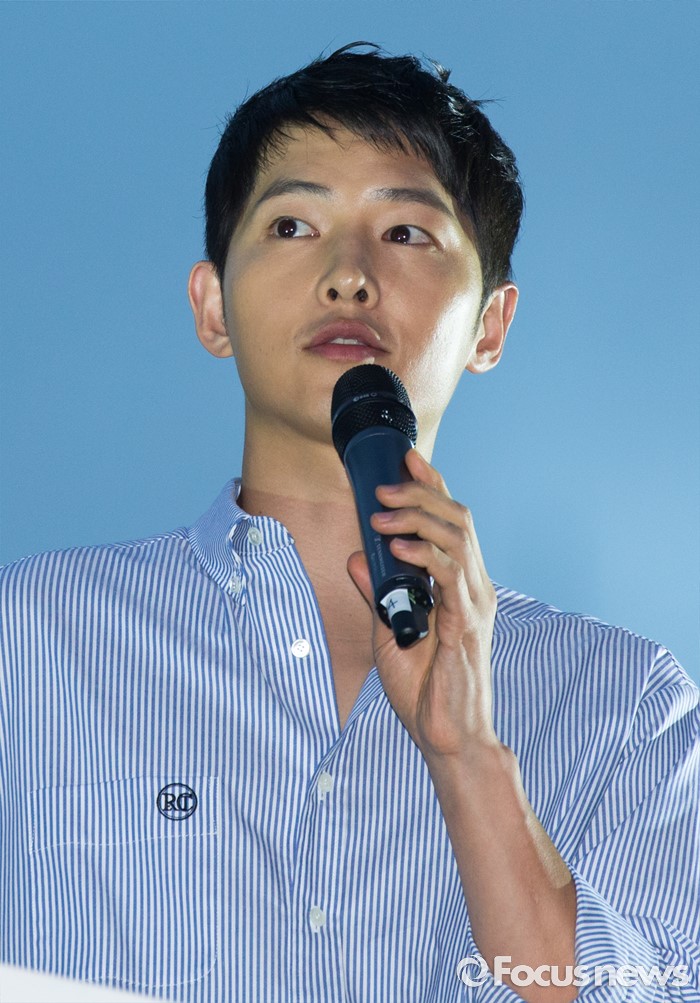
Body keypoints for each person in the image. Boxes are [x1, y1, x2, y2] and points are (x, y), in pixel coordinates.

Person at [0, 43, 698, 1003]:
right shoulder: (32, 637)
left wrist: (471, 760)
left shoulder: (624, 702)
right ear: (212, 307)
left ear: (491, 326)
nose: (347, 276)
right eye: (292, 224)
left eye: (406, 232)